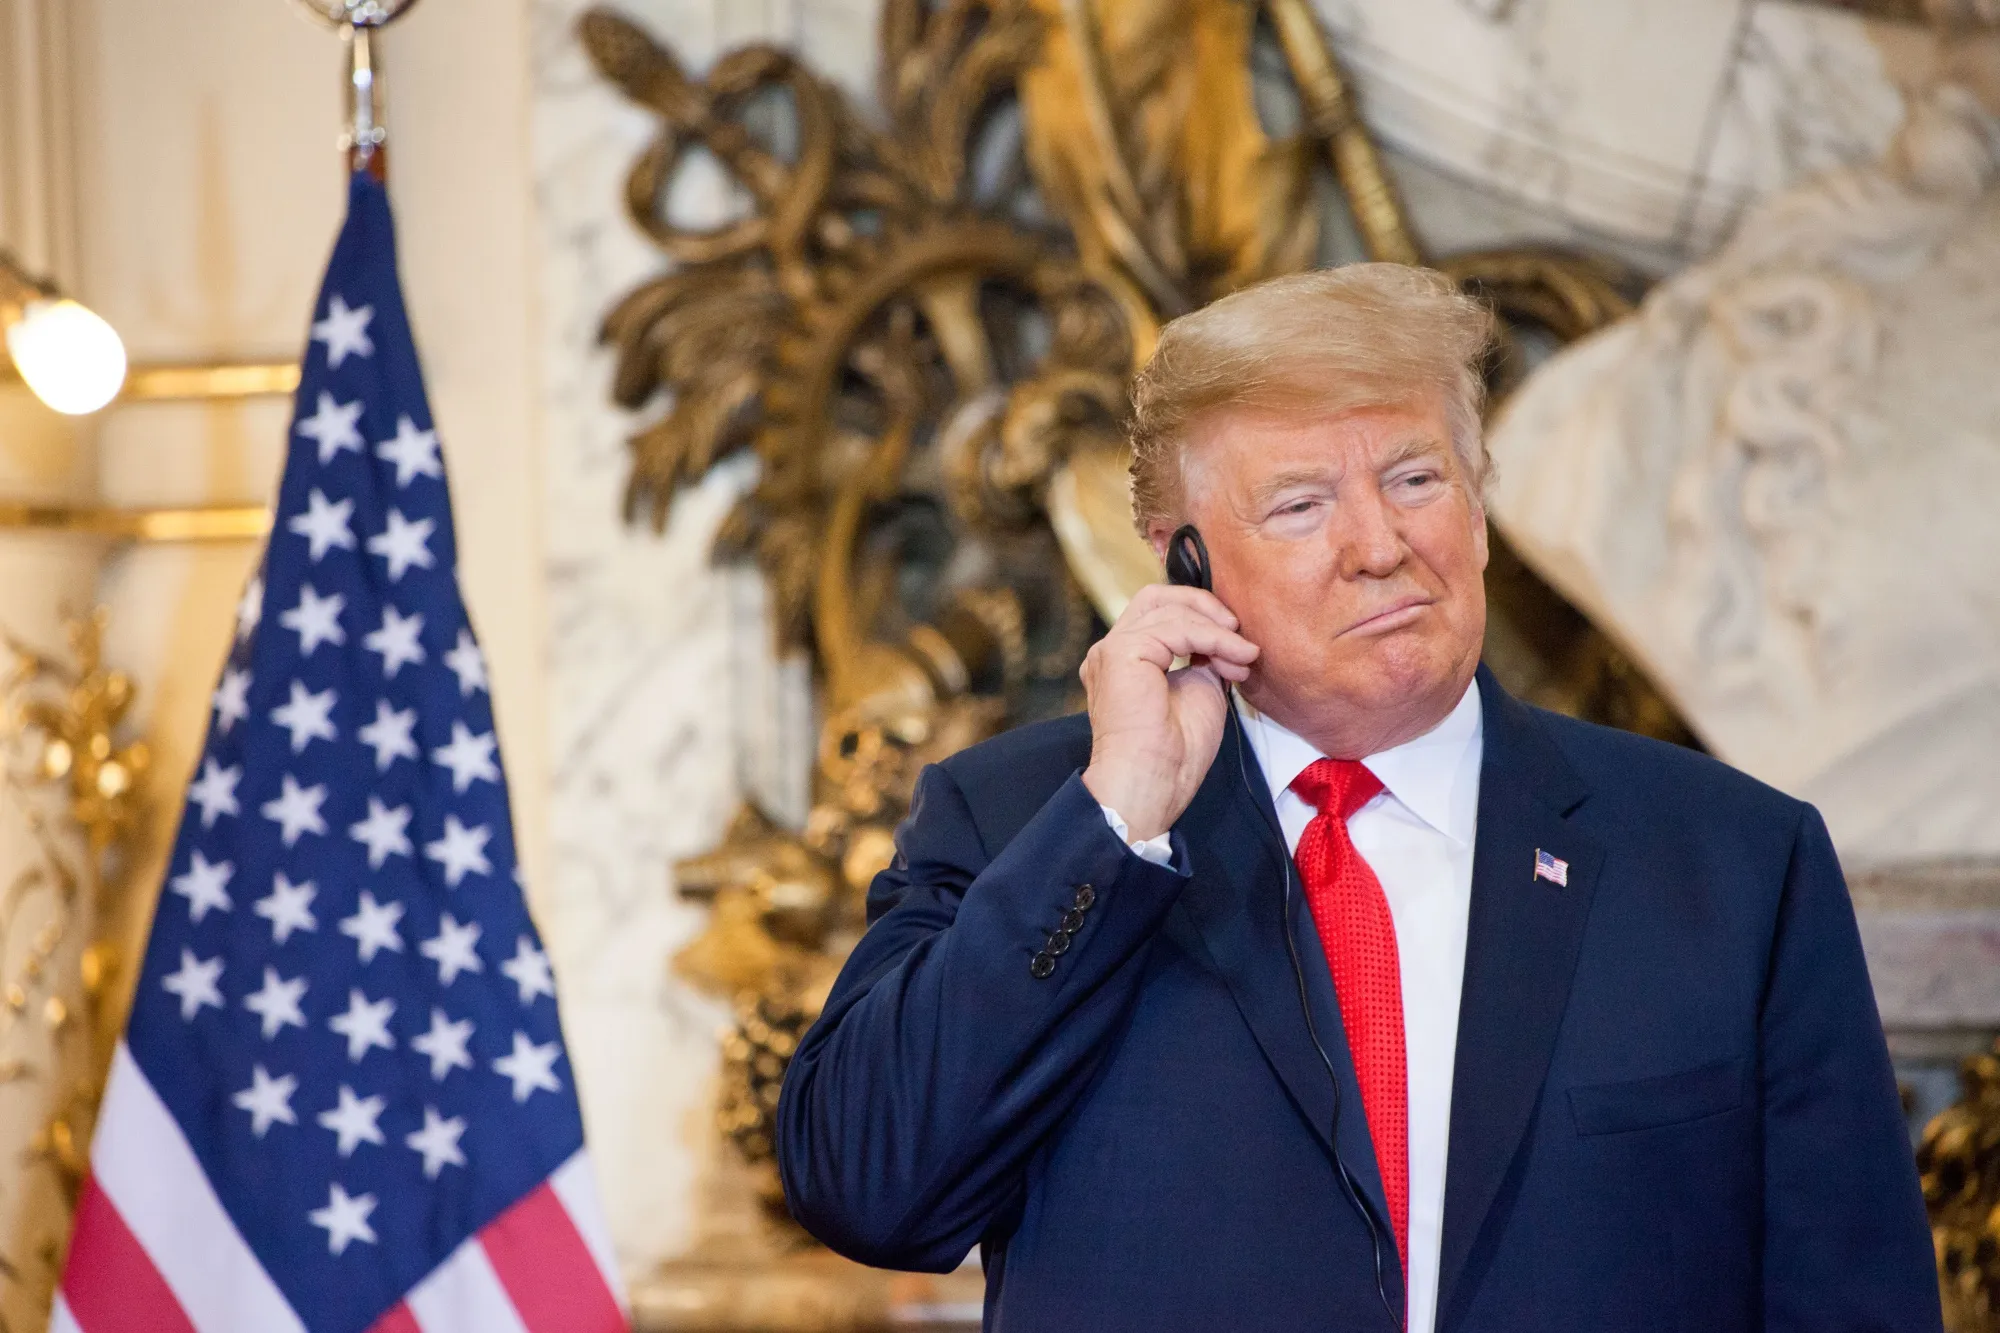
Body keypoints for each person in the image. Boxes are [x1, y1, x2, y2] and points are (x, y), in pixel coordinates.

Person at [774, 265, 1940, 1333]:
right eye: (1299, 505)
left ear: (1477, 509)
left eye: (1414, 478)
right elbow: (872, 1186)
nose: (1378, 544)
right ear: (1185, 563)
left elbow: (1852, 1300)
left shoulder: (1733, 861)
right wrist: (1117, 817)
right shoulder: (1026, 821)